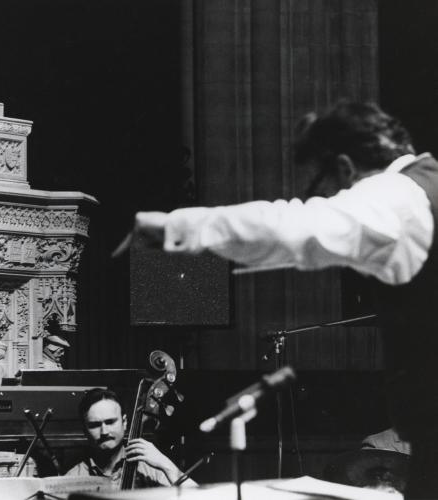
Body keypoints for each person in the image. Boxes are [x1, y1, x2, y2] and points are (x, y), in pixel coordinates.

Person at [132, 100, 438, 499]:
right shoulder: (425, 185)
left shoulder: (396, 195)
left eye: (323, 189)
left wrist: (174, 227)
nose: (326, 198)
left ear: (345, 167)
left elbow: (295, 226)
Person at [64, 388, 197, 488]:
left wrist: (166, 465)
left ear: (125, 423)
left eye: (110, 422)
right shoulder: (72, 478)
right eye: (95, 425)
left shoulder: (149, 469)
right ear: (85, 431)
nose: (104, 431)